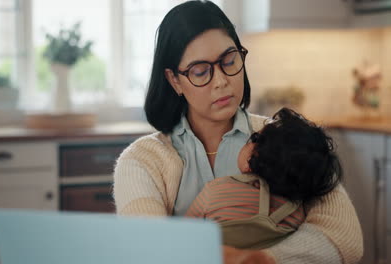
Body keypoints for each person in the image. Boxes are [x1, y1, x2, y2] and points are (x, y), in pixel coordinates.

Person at [113, 1, 363, 263]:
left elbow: (343, 237)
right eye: (201, 72)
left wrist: (260, 259)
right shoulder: (142, 161)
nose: (222, 81)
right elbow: (146, 247)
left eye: (229, 60)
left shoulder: (283, 137)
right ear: (175, 80)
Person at [185, 107, 343, 250]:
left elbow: (184, 235)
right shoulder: (298, 213)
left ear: (250, 161)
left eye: (254, 138)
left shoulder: (215, 191)